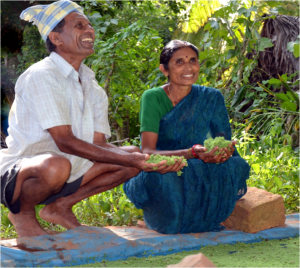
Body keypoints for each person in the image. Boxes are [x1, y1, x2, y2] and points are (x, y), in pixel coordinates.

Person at [0, 0, 171, 238]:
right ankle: (22, 214)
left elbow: (98, 143)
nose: (90, 30)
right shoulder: (41, 75)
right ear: (56, 39)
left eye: (89, 25)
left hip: (67, 169)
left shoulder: (92, 86)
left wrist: (141, 159)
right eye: (79, 25)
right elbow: (65, 142)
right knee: (58, 164)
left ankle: (60, 207)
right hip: (22, 172)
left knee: (131, 154)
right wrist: (137, 160)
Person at [123, 40, 250, 234]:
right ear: (164, 69)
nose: (188, 67)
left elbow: (224, 138)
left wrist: (221, 152)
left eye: (193, 60)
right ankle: (171, 215)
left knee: (236, 166)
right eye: (179, 62)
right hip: (165, 164)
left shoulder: (211, 97)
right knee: (165, 176)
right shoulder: (153, 97)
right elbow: (148, 151)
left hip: (199, 161)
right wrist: (192, 153)